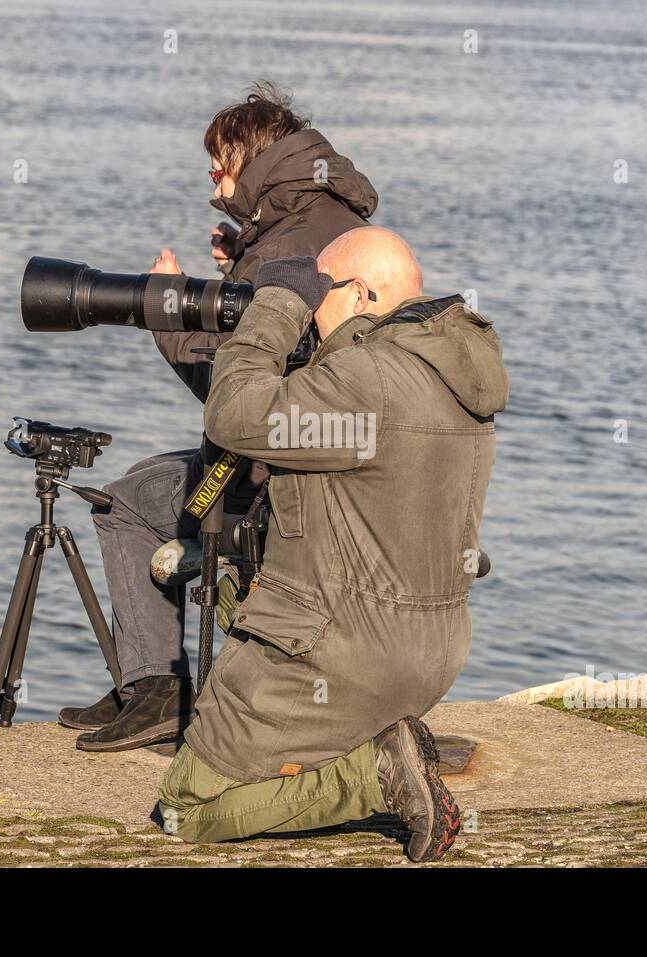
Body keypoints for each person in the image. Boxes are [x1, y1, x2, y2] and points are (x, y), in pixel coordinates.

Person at [156, 227, 509, 862]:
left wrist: (275, 304)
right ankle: (370, 745)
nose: (312, 317)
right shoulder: (460, 380)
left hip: (342, 655)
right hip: (430, 654)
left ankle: (371, 773)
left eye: (320, 294)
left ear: (362, 293)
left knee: (187, 807)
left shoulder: (365, 379)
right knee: (243, 591)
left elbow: (234, 413)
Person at [59, 82, 379, 752]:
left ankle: (156, 691)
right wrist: (239, 266)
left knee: (124, 504)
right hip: (339, 461)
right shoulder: (331, 222)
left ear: (249, 158)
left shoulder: (282, 245)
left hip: (268, 476)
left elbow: (231, 396)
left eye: (218, 157)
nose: (210, 170)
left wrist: (163, 311)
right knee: (152, 486)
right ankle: (150, 686)